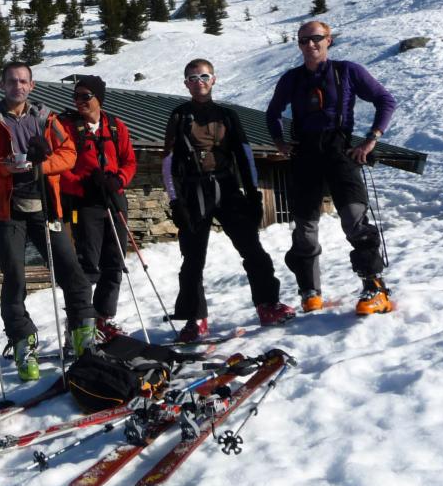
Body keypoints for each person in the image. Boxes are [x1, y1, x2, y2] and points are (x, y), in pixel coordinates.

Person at [0, 61, 98, 381]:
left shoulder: (46, 118)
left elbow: (69, 154)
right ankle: (23, 344)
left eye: (23, 81)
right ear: (1, 84)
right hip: (5, 210)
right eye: (11, 81)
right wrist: (1, 167)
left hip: (46, 207)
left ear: (32, 85)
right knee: (15, 280)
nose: (18, 86)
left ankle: (84, 340)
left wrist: (41, 166)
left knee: (72, 273)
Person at [265, 20, 396, 315]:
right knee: (306, 226)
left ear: (329, 40)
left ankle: (375, 288)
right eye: (303, 40)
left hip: (340, 149)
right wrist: (279, 142)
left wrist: (371, 140)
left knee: (354, 218)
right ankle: (310, 292)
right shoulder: (292, 79)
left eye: (316, 38)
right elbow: (273, 113)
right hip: (305, 153)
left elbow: (385, 100)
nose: (309, 44)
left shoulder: (348, 71)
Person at [163, 59, 295, 341]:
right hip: (194, 191)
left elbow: (245, 155)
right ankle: (194, 320)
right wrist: (176, 202)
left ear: (214, 80)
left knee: (253, 249)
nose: (199, 81)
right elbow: (169, 162)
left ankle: (267, 304)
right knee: (193, 258)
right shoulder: (179, 116)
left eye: (204, 76)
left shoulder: (227, 116)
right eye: (192, 77)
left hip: (227, 186)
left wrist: (254, 194)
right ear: (185, 83)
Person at [57, 75, 138, 341]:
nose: (79, 101)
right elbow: (60, 167)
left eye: (85, 96)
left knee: (114, 262)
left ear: (98, 98)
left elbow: (130, 161)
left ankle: (102, 319)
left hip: (114, 199)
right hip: (85, 202)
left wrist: (118, 181)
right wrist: (83, 186)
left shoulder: (116, 127)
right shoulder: (67, 127)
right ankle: (80, 322)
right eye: (76, 96)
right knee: (88, 264)